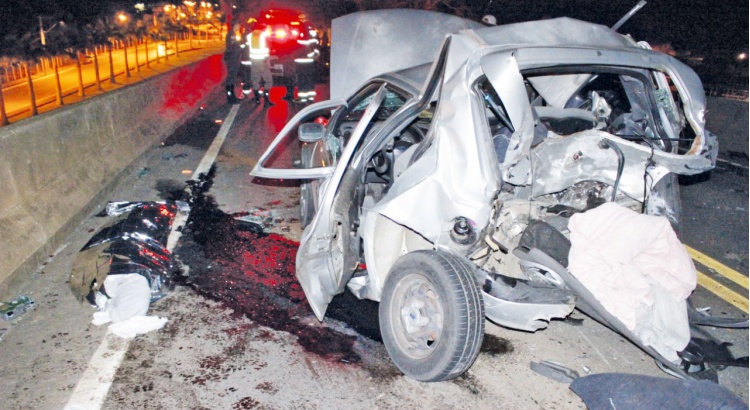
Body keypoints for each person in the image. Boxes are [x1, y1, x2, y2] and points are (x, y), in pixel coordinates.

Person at [244, 22, 274, 106]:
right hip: (262, 61)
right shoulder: (263, 35)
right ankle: (266, 101)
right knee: (268, 81)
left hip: (254, 61)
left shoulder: (249, 36)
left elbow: (247, 47)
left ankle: (257, 99)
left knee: (255, 80)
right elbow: (269, 37)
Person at [224, 23, 243, 104]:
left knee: (232, 78)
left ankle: (232, 96)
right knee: (231, 78)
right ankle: (230, 97)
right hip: (232, 59)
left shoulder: (234, 34)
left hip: (234, 59)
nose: (238, 27)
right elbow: (231, 47)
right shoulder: (231, 34)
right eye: (237, 26)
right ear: (234, 25)